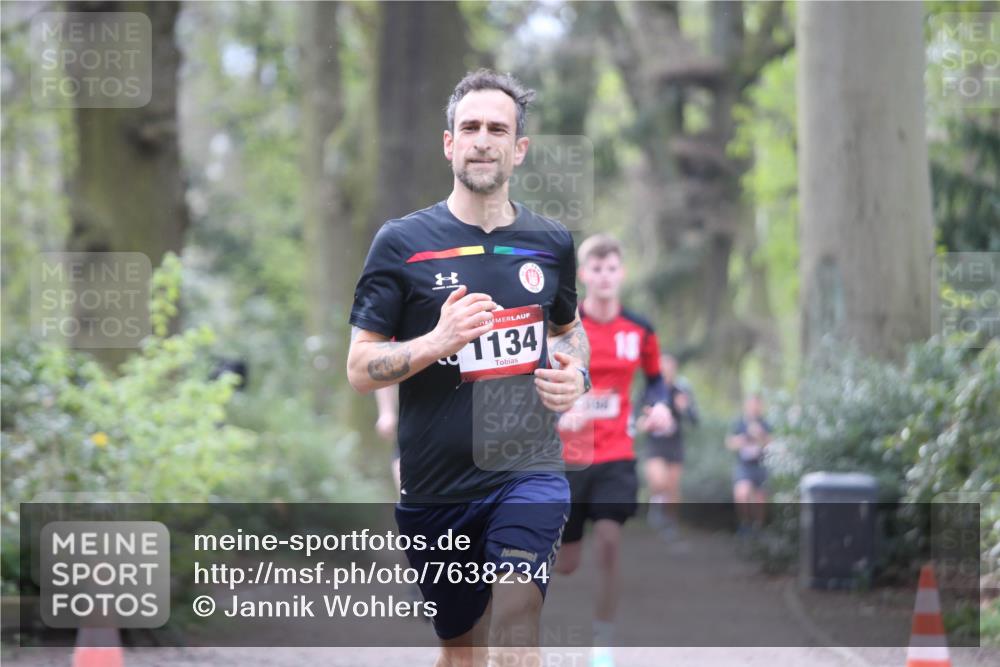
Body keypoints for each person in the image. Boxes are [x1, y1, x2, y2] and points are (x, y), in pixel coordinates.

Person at [347, 69, 590, 667]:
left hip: (527, 472)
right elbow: (359, 367)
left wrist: (577, 374)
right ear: (449, 143)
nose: (483, 140)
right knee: (461, 648)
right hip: (436, 490)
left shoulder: (551, 242)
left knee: (515, 619)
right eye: (471, 127)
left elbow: (569, 329)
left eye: (497, 129)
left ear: (519, 148)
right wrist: (437, 340)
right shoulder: (401, 243)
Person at [553, 234, 674, 667]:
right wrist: (558, 411)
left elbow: (656, 381)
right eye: (596, 269)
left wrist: (660, 407)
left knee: (609, 541)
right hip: (568, 458)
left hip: (616, 454)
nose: (604, 277)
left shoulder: (639, 329)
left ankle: (602, 645)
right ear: (584, 275)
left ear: (621, 273)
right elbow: (535, 378)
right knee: (566, 563)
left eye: (611, 269)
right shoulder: (563, 328)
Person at [644, 353, 699, 540]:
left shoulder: (681, 391)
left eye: (669, 368)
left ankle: (670, 521)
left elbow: (694, 420)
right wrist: (647, 422)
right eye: (662, 368)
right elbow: (637, 417)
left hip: (674, 445)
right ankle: (656, 503)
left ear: (674, 370)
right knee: (659, 481)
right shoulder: (649, 391)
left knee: (673, 487)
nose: (665, 372)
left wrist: (685, 408)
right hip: (655, 445)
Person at [725, 394, 772, 535]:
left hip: (761, 465)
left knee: (760, 499)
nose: (754, 407)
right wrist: (744, 438)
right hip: (744, 466)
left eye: (757, 404)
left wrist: (761, 435)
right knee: (742, 492)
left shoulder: (765, 423)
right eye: (751, 404)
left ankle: (758, 529)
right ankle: (744, 525)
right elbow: (729, 443)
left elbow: (772, 442)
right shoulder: (739, 423)